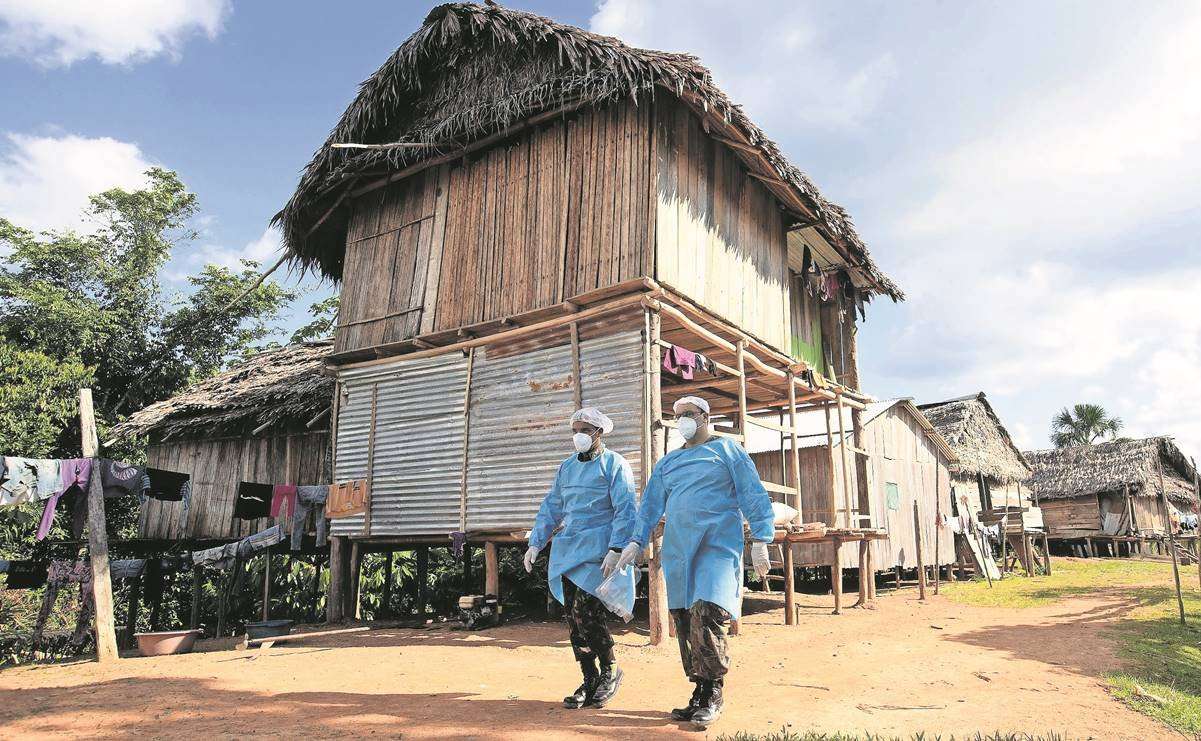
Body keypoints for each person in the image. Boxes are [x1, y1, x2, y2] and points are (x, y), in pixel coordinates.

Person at [610, 395, 774, 728]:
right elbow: (650, 506)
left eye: (688, 414)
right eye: (677, 415)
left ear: (704, 416)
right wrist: (635, 541)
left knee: (708, 612)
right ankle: (698, 692)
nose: (682, 419)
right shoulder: (669, 463)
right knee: (685, 621)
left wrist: (761, 539)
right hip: (679, 550)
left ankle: (714, 693)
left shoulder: (728, 451)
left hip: (717, 546)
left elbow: (752, 493)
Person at [524, 407, 638, 709]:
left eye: (585, 430)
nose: (579, 436)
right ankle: (589, 678)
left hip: (600, 551)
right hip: (570, 549)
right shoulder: (566, 468)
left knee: (587, 613)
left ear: (599, 433)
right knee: (573, 619)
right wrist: (536, 542)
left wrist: (617, 548)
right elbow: (553, 506)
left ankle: (610, 670)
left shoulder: (615, 464)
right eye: (575, 430)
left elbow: (626, 508)